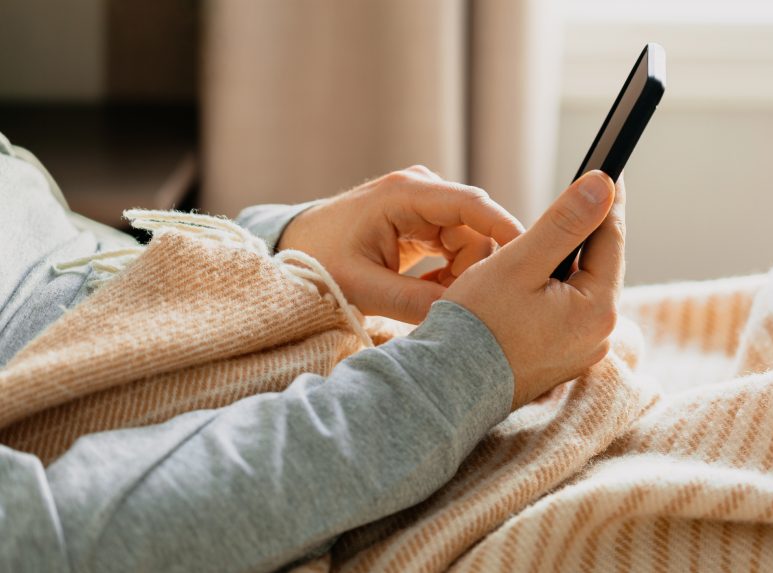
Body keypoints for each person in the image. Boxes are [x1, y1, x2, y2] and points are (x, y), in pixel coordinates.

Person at [0, 132, 625, 571]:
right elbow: (49, 545)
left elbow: (56, 255)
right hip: (325, 439)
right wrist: (461, 371)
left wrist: (283, 241)